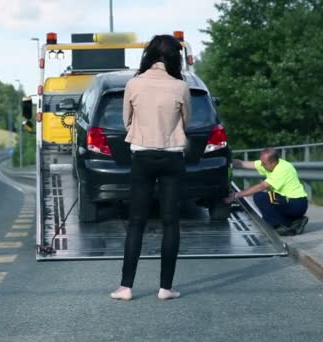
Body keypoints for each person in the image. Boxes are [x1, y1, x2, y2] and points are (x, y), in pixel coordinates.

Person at [110, 35, 191, 301]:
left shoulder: (134, 84)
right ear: (174, 58)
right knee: (170, 223)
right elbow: (186, 122)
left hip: (142, 156)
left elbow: (126, 120)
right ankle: (166, 288)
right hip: (172, 156)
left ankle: (125, 287)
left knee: (136, 222)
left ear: (149, 56)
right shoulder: (180, 86)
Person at [225, 148, 309, 236]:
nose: (261, 165)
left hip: (296, 203)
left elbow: (262, 186)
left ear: (273, 163)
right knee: (269, 204)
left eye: (264, 163)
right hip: (285, 201)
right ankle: (295, 221)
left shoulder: (282, 169)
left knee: (261, 197)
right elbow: (242, 164)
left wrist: (237, 195)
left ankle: (278, 227)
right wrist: (226, 161)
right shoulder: (269, 164)